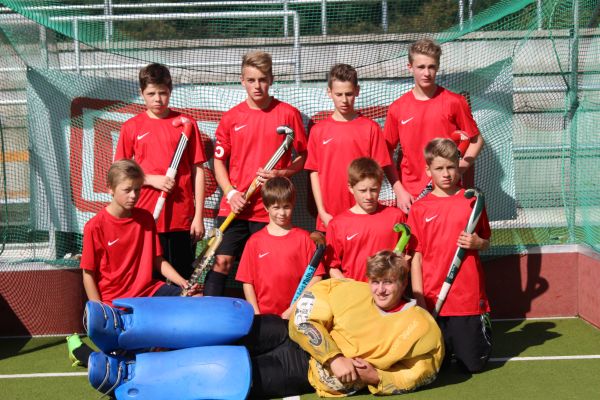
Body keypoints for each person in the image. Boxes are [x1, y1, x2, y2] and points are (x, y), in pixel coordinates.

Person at [240, 250, 444, 398]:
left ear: (403, 283)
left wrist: (376, 377)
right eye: (375, 282)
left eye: (388, 282)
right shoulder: (349, 289)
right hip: (288, 332)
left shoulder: (421, 326)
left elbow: (422, 373)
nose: (380, 290)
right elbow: (303, 318)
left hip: (306, 369)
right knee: (240, 328)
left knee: (237, 376)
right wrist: (334, 358)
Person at [71, 160, 197, 368]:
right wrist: (100, 312)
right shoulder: (94, 227)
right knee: (123, 364)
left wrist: (182, 282)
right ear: (110, 189)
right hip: (116, 303)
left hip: (149, 292)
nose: (133, 196)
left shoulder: (146, 218)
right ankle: (79, 351)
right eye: (127, 190)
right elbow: (88, 274)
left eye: (137, 190)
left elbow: (158, 260)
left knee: (195, 300)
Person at [205, 50, 308, 296]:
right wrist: (231, 194)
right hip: (236, 206)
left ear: (271, 79)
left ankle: (267, 316)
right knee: (221, 263)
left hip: (271, 208)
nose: (257, 86)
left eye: (262, 79)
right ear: (242, 81)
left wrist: (281, 173)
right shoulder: (231, 118)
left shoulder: (288, 114)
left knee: (268, 268)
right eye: (251, 80)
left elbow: (304, 157)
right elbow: (218, 162)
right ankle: (208, 315)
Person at [407, 138, 491, 373]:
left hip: (466, 298)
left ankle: (480, 330)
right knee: (437, 369)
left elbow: (486, 241)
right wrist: (419, 299)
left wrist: (478, 243)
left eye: (451, 167)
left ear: (458, 165)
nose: (446, 174)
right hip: (434, 298)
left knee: (473, 366)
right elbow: (416, 257)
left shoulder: (472, 201)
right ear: (428, 170)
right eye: (439, 168)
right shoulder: (419, 209)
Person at [114, 63, 206, 279]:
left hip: (181, 218)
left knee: (182, 279)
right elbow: (120, 172)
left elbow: (198, 171)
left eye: (163, 93)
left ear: (170, 91)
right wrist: (148, 179)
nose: (157, 99)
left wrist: (198, 216)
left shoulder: (187, 124)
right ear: (141, 93)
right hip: (145, 216)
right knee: (149, 279)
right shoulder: (131, 127)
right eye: (151, 94)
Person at [383, 38, 484, 213]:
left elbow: (476, 140)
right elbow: (385, 153)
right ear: (410, 67)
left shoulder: (455, 102)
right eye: (421, 67)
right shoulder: (397, 108)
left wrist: (459, 169)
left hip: (449, 193)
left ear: (437, 67)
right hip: (412, 195)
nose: (427, 73)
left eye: (431, 67)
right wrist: (399, 190)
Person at [305, 63, 391, 232]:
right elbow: (314, 172)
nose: (344, 100)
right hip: (329, 217)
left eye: (349, 94)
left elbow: (378, 173)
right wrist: (321, 212)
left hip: (364, 215)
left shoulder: (371, 128)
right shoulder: (318, 130)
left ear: (357, 91)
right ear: (329, 92)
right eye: (339, 94)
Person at [235, 177, 325, 319]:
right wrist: (257, 315)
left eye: (286, 207)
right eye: (276, 207)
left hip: (296, 315)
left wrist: (293, 310)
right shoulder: (254, 242)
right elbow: (247, 282)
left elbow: (316, 277)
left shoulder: (304, 238)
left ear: (293, 204)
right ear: (266, 207)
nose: (282, 213)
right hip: (264, 317)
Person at [325, 157, 406, 281]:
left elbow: (408, 256)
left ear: (380, 186)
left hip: (390, 289)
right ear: (350, 187)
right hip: (354, 290)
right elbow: (332, 266)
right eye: (362, 190)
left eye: (373, 190)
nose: (369, 196)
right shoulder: (337, 225)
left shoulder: (396, 216)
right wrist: (348, 286)